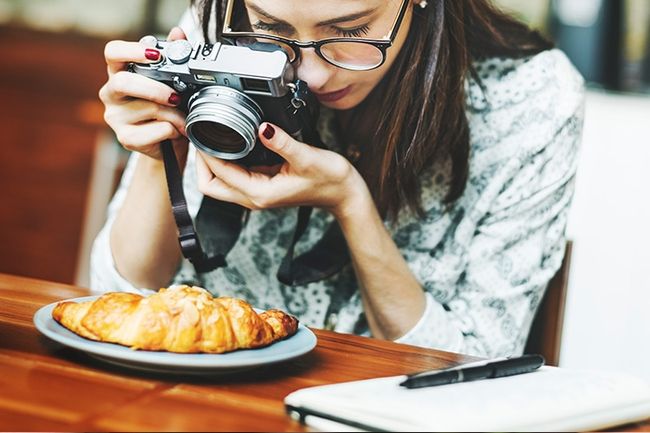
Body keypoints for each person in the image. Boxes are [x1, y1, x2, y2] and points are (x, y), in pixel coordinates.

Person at [92, 0, 585, 358]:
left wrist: (350, 201)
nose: (313, 74)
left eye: (349, 31)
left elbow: (477, 369)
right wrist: (162, 151)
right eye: (272, 28)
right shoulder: (218, 30)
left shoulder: (531, 101)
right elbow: (117, 300)